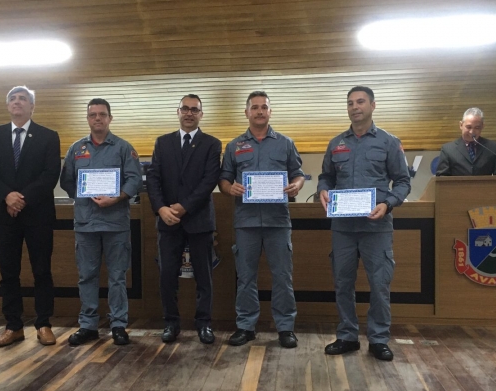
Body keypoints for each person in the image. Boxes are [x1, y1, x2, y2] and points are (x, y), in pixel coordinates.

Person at [317, 86, 411, 361]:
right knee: (343, 283)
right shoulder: (336, 144)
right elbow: (326, 176)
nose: (355, 107)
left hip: (376, 227)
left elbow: (403, 182)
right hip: (343, 229)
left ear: (372, 105)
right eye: (350, 103)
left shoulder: (389, 142)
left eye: (360, 102)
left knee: (379, 284)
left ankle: (379, 339)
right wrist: (323, 189)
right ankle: (347, 336)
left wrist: (388, 203)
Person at [218, 91, 305, 349]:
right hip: (245, 222)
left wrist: (297, 186)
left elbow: (299, 174)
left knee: (283, 277)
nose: (259, 111)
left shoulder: (285, 143)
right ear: (246, 112)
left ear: (270, 112)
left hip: (278, 221)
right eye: (254, 107)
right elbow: (223, 179)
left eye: (264, 107)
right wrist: (228, 188)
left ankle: (285, 328)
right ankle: (246, 326)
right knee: (245, 277)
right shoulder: (233, 146)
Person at [0, 86, 61, 348]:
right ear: (7, 106)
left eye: (22, 99)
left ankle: (44, 324)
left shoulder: (49, 136)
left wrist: (21, 198)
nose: (17, 102)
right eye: (13, 99)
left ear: (31, 106)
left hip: (38, 213)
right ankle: (13, 326)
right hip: (5, 214)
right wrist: (7, 196)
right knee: (8, 273)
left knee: (42, 271)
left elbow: (50, 175)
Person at [60, 98, 142, 346]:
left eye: (102, 114)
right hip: (86, 224)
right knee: (87, 276)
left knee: (117, 276)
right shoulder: (76, 149)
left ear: (110, 118)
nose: (98, 118)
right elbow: (67, 181)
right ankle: (88, 325)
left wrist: (116, 197)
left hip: (116, 223)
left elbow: (134, 179)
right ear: (88, 119)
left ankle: (119, 324)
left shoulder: (123, 148)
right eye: (93, 114)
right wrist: (86, 196)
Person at [146, 94, 222, 344]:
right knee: (167, 275)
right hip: (167, 221)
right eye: (185, 109)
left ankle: (204, 324)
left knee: (204, 276)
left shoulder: (211, 143)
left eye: (194, 110)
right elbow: (153, 179)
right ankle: (171, 323)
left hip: (199, 220)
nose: (189, 113)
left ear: (201, 114)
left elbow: (209, 181)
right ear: (177, 112)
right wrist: (161, 209)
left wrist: (183, 207)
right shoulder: (162, 142)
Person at [436, 107, 496, 176]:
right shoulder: (448, 149)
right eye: (468, 127)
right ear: (461, 125)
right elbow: (441, 179)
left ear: (482, 126)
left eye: (477, 127)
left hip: (485, 188)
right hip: (458, 188)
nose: (472, 132)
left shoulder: (493, 148)